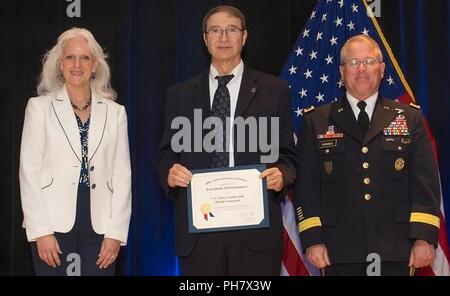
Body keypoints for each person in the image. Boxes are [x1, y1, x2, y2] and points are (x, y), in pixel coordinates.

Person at [157, 5, 297, 275]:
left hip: (255, 232)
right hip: (200, 232)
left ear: (244, 37)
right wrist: (169, 172)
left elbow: (288, 156)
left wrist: (282, 174)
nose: (223, 38)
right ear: (205, 38)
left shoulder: (274, 90)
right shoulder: (180, 95)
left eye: (231, 30)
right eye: (216, 31)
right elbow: (166, 155)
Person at [295, 35, 440, 276]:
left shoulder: (409, 117)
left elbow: (425, 184)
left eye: (369, 61)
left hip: (397, 246)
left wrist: (424, 238)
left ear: (382, 69)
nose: (361, 69)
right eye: (353, 63)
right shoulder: (316, 121)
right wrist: (312, 239)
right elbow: (307, 187)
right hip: (337, 249)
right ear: (341, 72)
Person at [19, 28, 132, 276]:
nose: (77, 64)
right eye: (70, 57)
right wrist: (41, 231)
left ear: (95, 65)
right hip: (52, 221)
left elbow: (122, 176)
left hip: (101, 222)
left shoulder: (115, 113)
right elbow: (29, 173)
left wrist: (116, 234)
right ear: (60, 65)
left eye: (84, 58)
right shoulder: (39, 108)